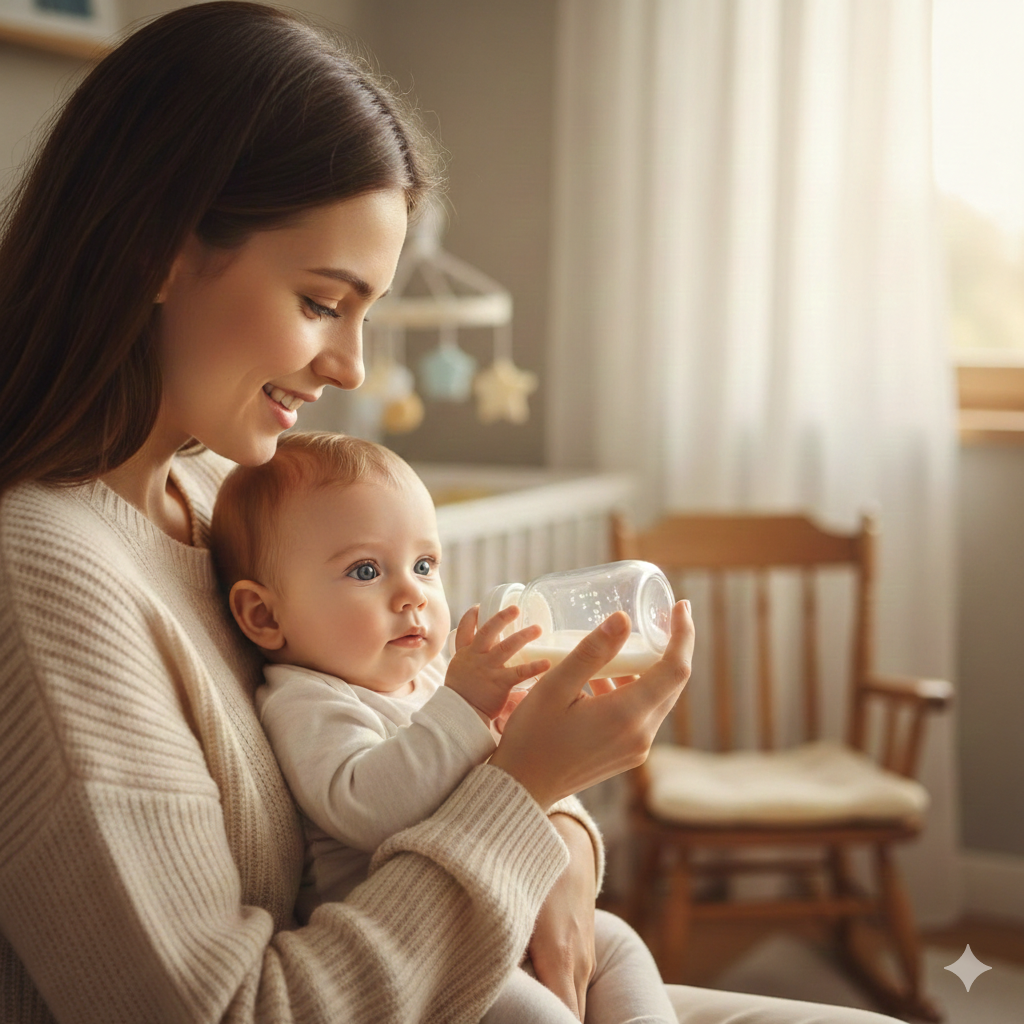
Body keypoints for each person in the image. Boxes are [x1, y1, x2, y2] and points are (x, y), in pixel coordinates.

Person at [0, 2, 903, 1021]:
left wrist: (559, 829)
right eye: (320, 302)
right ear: (159, 250)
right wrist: (525, 799)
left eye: (365, 313)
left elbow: (438, 727)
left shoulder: (221, 493)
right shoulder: (49, 574)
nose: (350, 366)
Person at [209, 429, 678, 1024]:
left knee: (618, 940)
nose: (412, 594)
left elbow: (507, 782)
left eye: (424, 565)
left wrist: (511, 728)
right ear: (264, 615)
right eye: (365, 570)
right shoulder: (306, 699)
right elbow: (366, 807)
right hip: (427, 958)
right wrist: (467, 710)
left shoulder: (432, 676)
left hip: (498, 900)